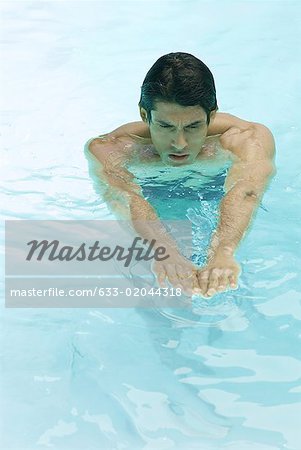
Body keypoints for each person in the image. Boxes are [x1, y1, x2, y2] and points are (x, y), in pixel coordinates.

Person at [86, 52, 275, 298]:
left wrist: (223, 252)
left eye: (193, 126)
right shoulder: (111, 148)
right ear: (145, 115)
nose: (179, 143)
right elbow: (125, 198)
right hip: (156, 207)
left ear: (212, 115)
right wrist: (164, 251)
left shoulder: (246, 139)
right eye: (165, 126)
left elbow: (246, 190)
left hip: (220, 202)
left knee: (233, 290)